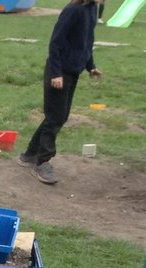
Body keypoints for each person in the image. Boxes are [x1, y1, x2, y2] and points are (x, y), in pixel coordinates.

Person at [19, 0, 101, 186]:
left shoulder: (91, 9)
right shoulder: (73, 10)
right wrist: (56, 73)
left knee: (59, 116)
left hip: (73, 71)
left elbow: (87, 41)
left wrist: (91, 66)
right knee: (55, 117)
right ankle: (42, 162)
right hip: (59, 72)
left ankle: (30, 154)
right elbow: (55, 42)